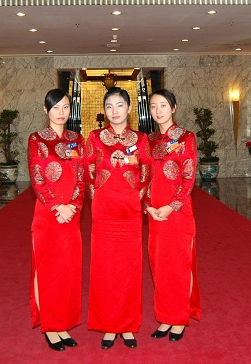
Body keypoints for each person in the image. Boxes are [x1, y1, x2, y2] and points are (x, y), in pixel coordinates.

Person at [84, 86, 152, 350]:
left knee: (129, 269)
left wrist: (137, 197)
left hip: (129, 212)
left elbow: (146, 171)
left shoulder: (141, 139)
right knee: (105, 268)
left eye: (119, 105)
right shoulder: (94, 137)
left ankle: (128, 325)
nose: (114, 111)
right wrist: (97, 197)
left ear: (129, 108)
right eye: (109, 106)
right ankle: (109, 326)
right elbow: (88, 170)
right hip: (104, 211)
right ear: (104, 110)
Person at [28, 89, 85, 352]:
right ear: (46, 110)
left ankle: (63, 324)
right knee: (49, 270)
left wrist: (73, 206)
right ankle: (51, 327)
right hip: (48, 215)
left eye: (65, 107)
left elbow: (81, 177)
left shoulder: (76, 139)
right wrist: (57, 207)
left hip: (71, 215)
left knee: (68, 271)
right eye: (55, 108)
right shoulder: (37, 139)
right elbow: (37, 178)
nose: (61, 113)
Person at [144, 88, 201, 342]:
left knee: (178, 265)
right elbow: (143, 177)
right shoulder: (149, 140)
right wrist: (148, 205)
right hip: (155, 213)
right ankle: (165, 317)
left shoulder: (186, 138)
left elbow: (188, 178)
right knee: (159, 266)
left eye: (163, 105)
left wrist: (171, 206)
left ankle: (178, 319)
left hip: (177, 212)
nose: (158, 111)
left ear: (174, 108)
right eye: (154, 106)